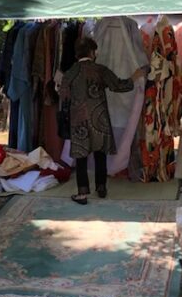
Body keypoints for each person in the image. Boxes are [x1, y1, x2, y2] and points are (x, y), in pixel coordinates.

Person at [60, 37, 146, 205]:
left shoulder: (70, 72)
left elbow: (64, 96)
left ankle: (82, 193)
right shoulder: (100, 70)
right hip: (100, 119)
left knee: (81, 158)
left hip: (79, 121)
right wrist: (134, 76)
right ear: (92, 52)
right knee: (100, 155)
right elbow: (119, 86)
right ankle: (101, 187)